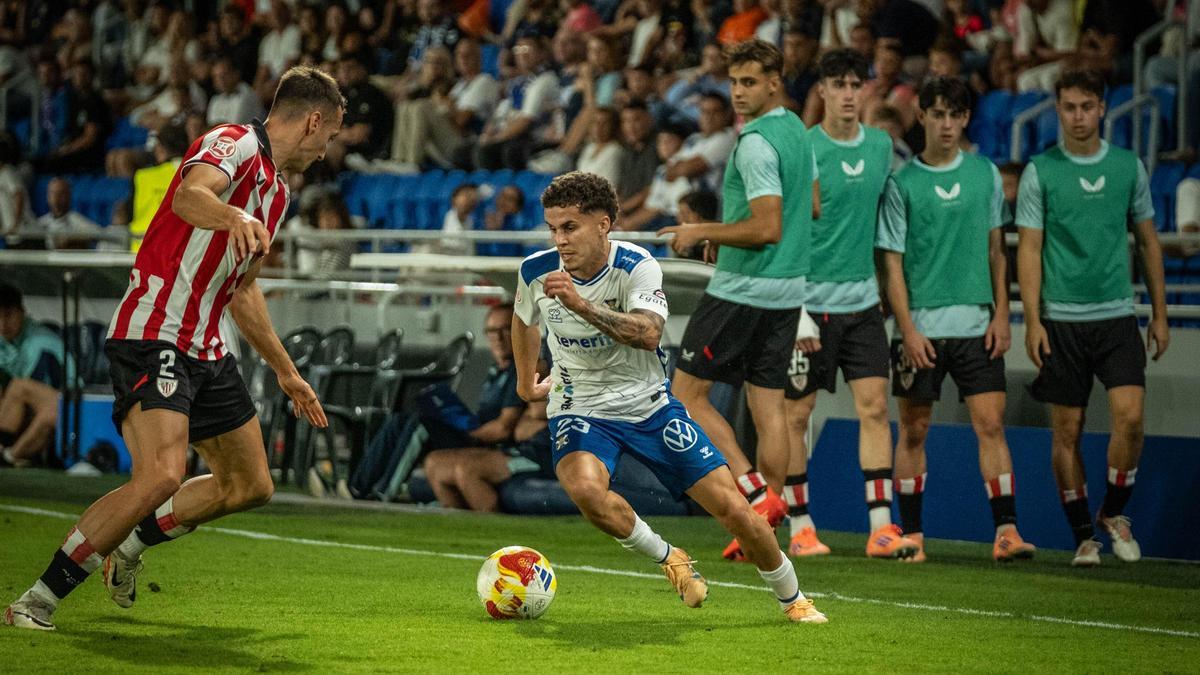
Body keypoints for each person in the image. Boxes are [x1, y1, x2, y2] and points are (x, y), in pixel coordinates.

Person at [4, 65, 343, 632]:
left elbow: (243, 291)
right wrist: (233, 214)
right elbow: (189, 197)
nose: (326, 150)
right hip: (153, 330)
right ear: (312, 121)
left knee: (251, 485)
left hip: (207, 347)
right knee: (161, 475)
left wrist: (286, 372)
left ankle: (130, 545)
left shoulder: (279, 193)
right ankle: (35, 601)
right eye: (329, 135)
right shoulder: (232, 142)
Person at [513, 170, 826, 623]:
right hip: (579, 406)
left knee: (735, 510)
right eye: (553, 228)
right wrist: (525, 381)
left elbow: (648, 333)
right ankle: (669, 558)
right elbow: (523, 319)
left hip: (650, 407)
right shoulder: (536, 271)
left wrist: (582, 306)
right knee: (585, 491)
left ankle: (792, 598)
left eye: (570, 227)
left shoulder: (636, 265)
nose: (559, 240)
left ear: (603, 224)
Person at [657, 40, 814, 562]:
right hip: (788, 288)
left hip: (743, 289)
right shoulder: (797, 130)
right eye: (734, 82)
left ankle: (754, 494)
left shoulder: (755, 144)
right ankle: (766, 523)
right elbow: (811, 205)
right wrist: (731, 234)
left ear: (775, 82)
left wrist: (703, 230)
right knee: (768, 403)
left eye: (750, 82)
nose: (739, 93)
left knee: (686, 395)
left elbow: (767, 227)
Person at [877, 77, 1036, 564]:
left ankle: (1007, 533)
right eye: (938, 114)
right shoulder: (902, 183)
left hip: (976, 327)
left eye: (955, 114)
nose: (947, 124)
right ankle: (913, 536)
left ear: (966, 118)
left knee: (991, 425)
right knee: (914, 430)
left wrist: (1003, 315)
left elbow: (997, 251)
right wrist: (907, 329)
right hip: (921, 329)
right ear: (921, 116)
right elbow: (892, 264)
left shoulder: (985, 174)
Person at [1016, 69, 1169, 567]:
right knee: (1068, 431)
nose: (1078, 116)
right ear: (1058, 110)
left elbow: (1148, 241)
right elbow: (1030, 249)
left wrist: (1160, 313)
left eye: (1087, 106)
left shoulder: (1128, 167)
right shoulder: (1040, 171)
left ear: (1102, 108)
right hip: (1060, 320)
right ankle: (1084, 536)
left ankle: (1114, 512)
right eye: (1069, 107)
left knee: (1132, 420)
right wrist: (1033, 320)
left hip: (1117, 316)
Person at [782, 49, 918, 560]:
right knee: (797, 416)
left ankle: (881, 528)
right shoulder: (805, 147)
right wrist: (797, 312)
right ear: (821, 90)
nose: (846, 93)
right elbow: (789, 230)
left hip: (862, 304)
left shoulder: (882, 146)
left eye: (854, 84)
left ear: (865, 90)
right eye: (836, 84)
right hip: (808, 306)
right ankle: (800, 526)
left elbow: (889, 222)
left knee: (876, 408)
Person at [423, 304, 551, 512]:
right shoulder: (496, 372)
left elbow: (519, 421)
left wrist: (469, 434)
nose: (498, 338)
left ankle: (489, 525)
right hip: (508, 449)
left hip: (535, 455)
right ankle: (458, 524)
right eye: (492, 331)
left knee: (467, 469)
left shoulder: (534, 366)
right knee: (434, 462)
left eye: (506, 329)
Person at [0, 282, 71, 467]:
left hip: (71, 402)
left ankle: (7, 456)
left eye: (8, 315)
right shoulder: (6, 341)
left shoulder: (40, 344)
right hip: (39, 407)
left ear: (22, 313)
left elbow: (38, 399)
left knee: (21, 388)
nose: (2, 324)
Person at [129, 123, 189, 252]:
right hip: (182, 253)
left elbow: (127, 214)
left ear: (161, 149)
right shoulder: (198, 176)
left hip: (142, 252)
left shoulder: (142, 177)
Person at [33, 177, 103, 250]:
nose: (56, 197)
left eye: (61, 193)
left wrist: (76, 240)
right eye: (52, 193)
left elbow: (101, 235)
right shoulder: (40, 223)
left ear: (69, 196)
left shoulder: (79, 222)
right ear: (47, 197)